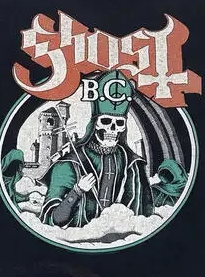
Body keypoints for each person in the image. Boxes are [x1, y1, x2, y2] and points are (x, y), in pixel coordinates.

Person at [40, 71, 153, 227]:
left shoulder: (132, 165)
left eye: (119, 123)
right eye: (106, 121)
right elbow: (54, 220)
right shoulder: (68, 164)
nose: (113, 129)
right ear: (95, 125)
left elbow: (146, 215)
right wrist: (77, 191)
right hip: (80, 237)